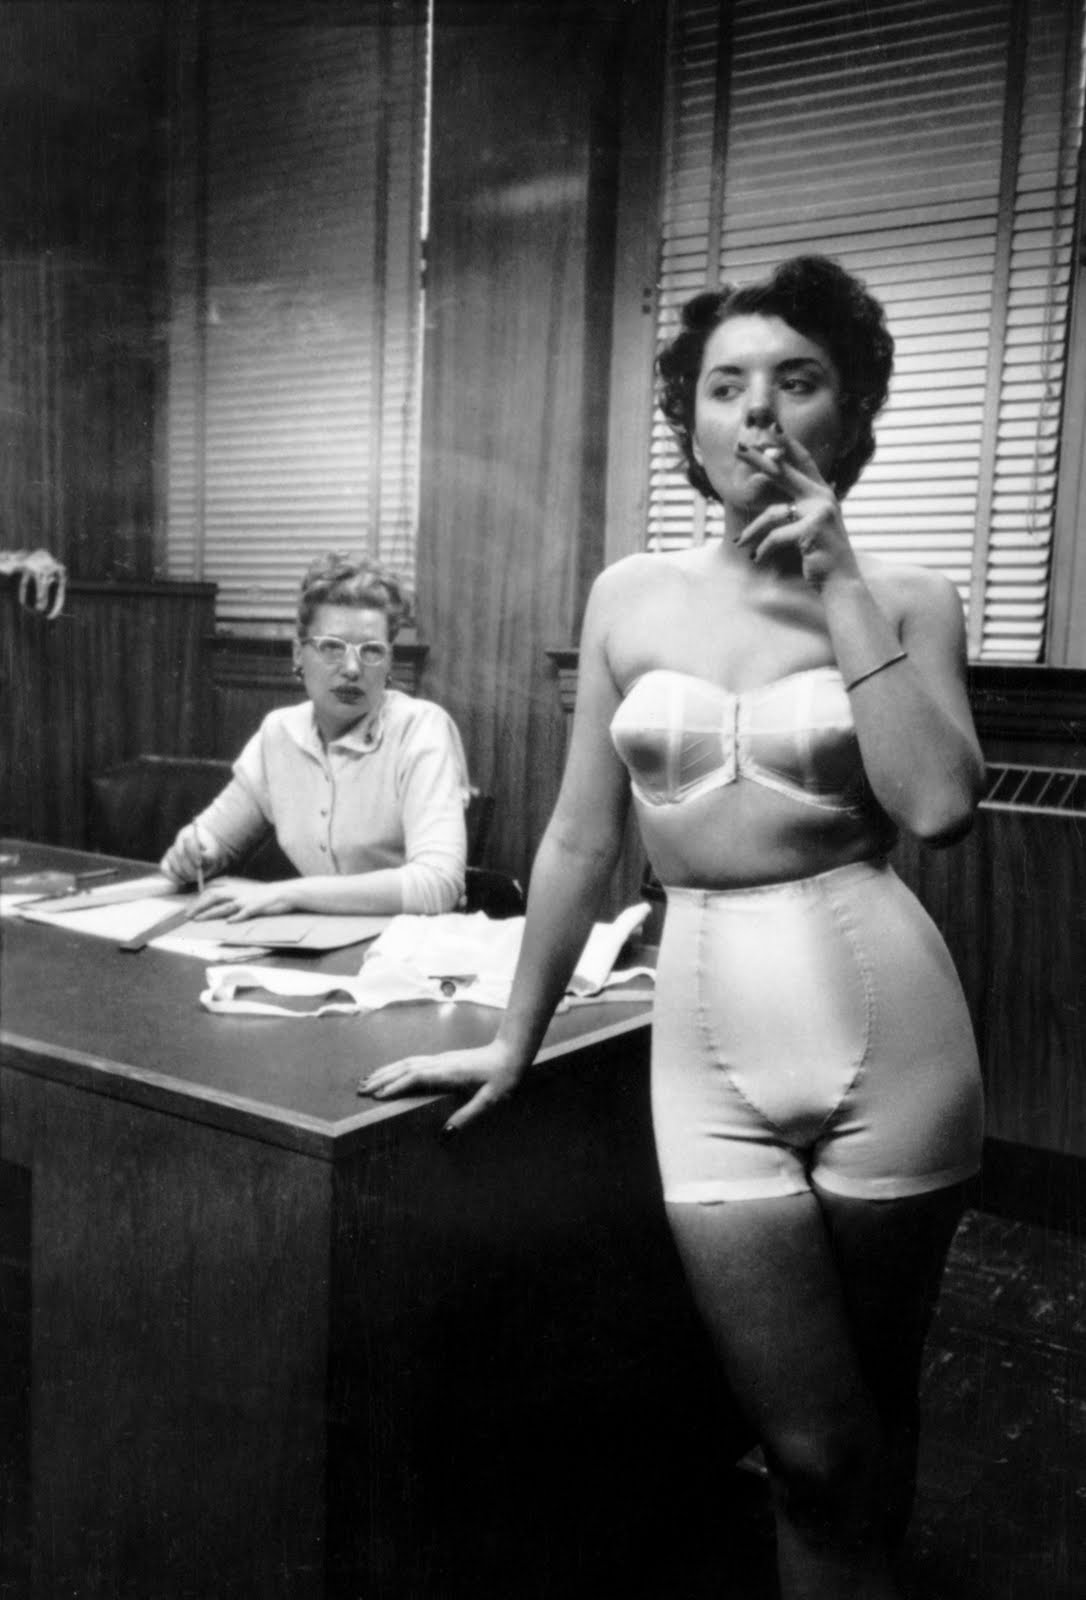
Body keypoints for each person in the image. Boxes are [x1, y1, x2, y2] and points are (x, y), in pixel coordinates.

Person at [362, 256, 986, 1599]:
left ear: (849, 415)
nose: (757, 410)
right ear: (690, 424)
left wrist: (837, 577)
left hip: (896, 1036)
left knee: (872, 1424)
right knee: (808, 1446)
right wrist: (515, 1040)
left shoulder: (910, 595)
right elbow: (579, 840)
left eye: (796, 380)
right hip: (704, 1049)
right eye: (724, 385)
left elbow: (937, 806)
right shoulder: (628, 597)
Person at [161, 554, 468, 919]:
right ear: (298, 654)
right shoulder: (279, 732)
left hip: (407, 942)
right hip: (319, 939)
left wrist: (288, 893)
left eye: (371, 651)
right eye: (332, 647)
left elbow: (439, 884)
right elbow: (214, 836)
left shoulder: (421, 728)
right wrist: (196, 851)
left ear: (388, 662)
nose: (352, 669)